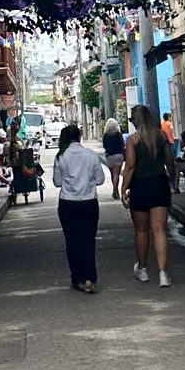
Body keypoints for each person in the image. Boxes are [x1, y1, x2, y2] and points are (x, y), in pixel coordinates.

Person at [122, 102, 175, 287]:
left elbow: (130, 166)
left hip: (140, 186)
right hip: (159, 183)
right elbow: (169, 160)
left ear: (135, 121)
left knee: (141, 230)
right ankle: (162, 273)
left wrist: (123, 189)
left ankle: (143, 269)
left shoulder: (133, 140)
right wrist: (173, 178)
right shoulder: (160, 136)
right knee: (159, 229)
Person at [52, 122, 106, 292]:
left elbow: (57, 182)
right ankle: (90, 277)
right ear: (79, 137)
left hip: (68, 204)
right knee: (88, 240)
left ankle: (77, 277)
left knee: (72, 241)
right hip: (89, 203)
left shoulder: (61, 156)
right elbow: (100, 180)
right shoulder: (90, 155)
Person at [100, 116, 126, 201]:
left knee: (112, 174)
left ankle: (115, 190)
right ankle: (116, 190)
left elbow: (104, 145)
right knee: (116, 174)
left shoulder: (106, 135)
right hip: (118, 155)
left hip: (109, 156)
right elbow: (122, 144)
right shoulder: (119, 134)